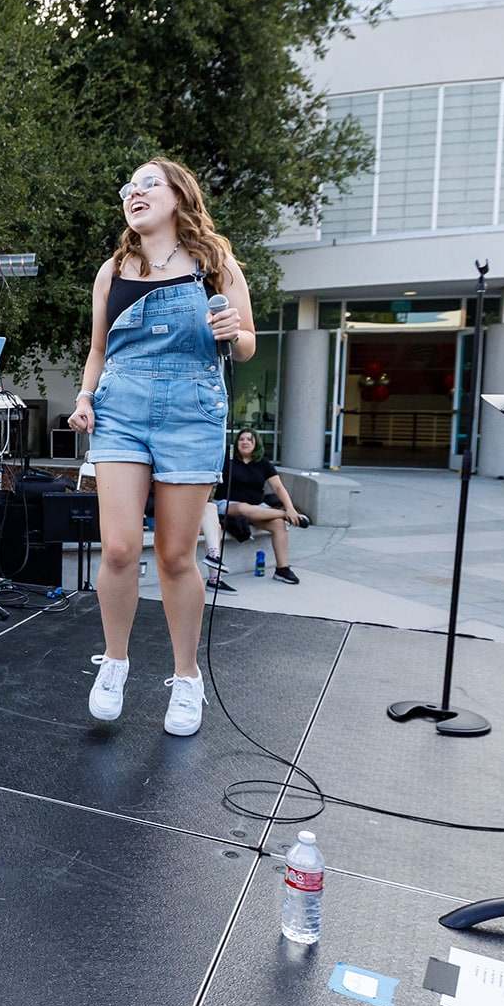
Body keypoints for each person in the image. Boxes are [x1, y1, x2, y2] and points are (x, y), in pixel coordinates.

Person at [67, 157, 254, 736]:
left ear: (178, 195)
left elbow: (245, 344)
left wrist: (235, 335)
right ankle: (115, 662)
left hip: (192, 411)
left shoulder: (216, 263)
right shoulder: (113, 269)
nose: (135, 193)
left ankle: (186, 677)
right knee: (119, 548)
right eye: (128, 187)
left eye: (149, 183)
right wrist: (84, 394)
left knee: (176, 555)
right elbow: (99, 350)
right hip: (121, 407)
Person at [219, 429, 310, 584]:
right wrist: (286, 512)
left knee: (278, 525)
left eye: (249, 439)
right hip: (227, 505)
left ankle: (282, 569)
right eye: (241, 439)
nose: (245, 442)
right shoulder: (227, 459)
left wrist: (290, 507)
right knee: (243, 508)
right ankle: (283, 515)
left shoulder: (263, 463)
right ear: (236, 443)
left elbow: (279, 488)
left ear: (256, 444)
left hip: (257, 509)